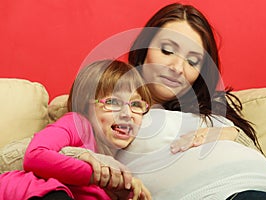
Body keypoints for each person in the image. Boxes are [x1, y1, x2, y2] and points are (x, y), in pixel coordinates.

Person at [114, 3, 266, 199]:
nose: (177, 67)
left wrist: (231, 134)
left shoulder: (211, 112)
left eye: (192, 62)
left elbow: (255, 153)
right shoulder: (113, 111)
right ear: (143, 52)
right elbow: (82, 151)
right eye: (167, 50)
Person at [0, 60, 152, 200]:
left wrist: (122, 191)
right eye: (113, 102)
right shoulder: (79, 124)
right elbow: (34, 155)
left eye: (136, 105)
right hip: (27, 189)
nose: (127, 114)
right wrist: (96, 175)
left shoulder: (121, 163)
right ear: (85, 107)